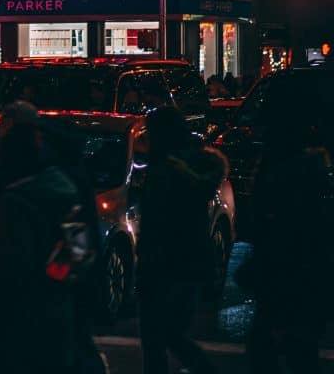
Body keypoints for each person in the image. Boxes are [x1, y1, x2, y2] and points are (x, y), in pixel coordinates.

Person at [0, 117, 81, 373]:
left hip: (22, 311)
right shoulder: (66, 189)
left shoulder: (15, 199)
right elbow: (80, 252)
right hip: (59, 305)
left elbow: (15, 261)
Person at [136, 106, 227, 374]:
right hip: (186, 263)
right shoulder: (191, 166)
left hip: (162, 264)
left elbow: (157, 223)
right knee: (169, 334)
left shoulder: (165, 171)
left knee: (156, 337)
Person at [245, 104, 333, 372]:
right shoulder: (313, 175)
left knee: (267, 343)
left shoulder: (276, 175)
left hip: (281, 268)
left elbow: (258, 224)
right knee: (299, 346)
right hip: (303, 270)